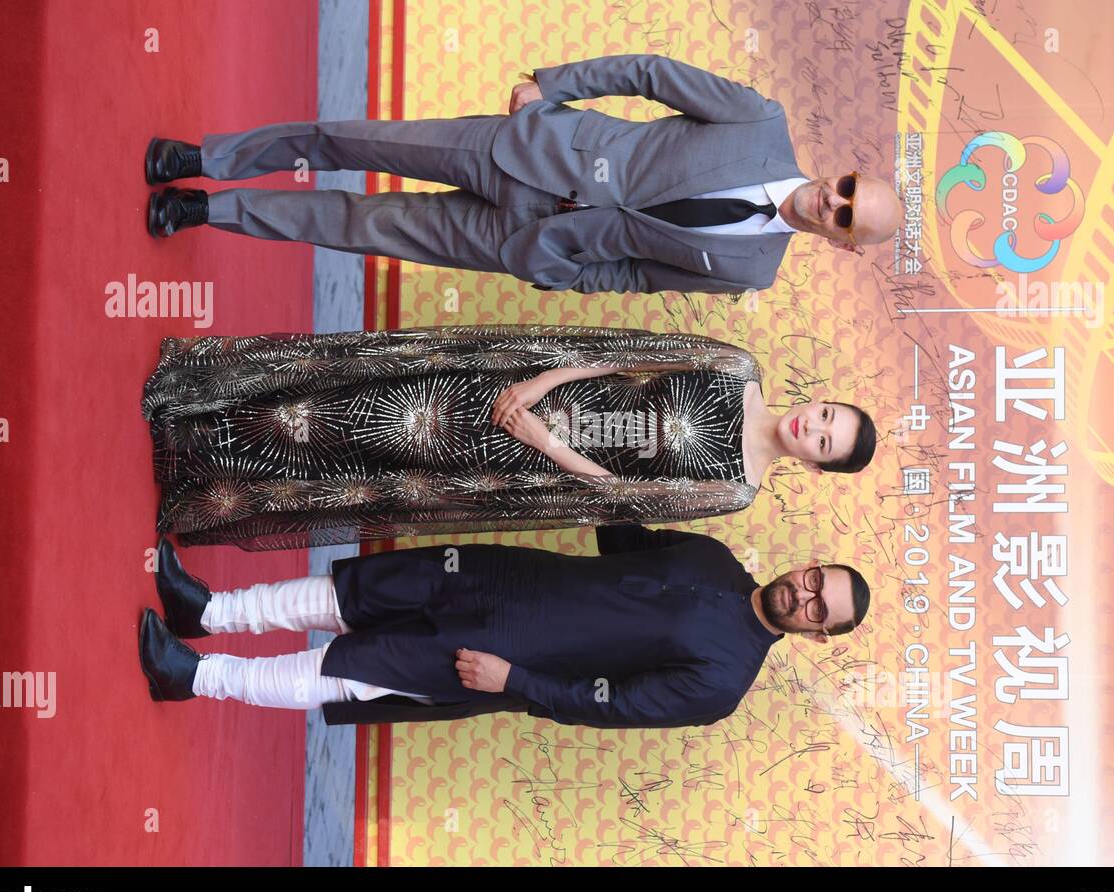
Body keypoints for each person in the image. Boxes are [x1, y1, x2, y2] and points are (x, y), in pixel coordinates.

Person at [144, 53, 903, 294]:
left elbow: (638, 276)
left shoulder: (752, 272)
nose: (829, 199)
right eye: (845, 185)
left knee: (357, 226)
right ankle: (207, 160)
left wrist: (565, 272)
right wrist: (556, 86)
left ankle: (207, 212)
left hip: (522, 241)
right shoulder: (760, 121)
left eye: (845, 216)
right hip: (530, 149)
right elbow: (652, 74)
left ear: (843, 245)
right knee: (352, 139)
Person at [142, 324, 877, 549]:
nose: (810, 427)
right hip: (515, 388)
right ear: (819, 402)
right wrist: (538, 384)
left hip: (516, 458)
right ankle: (203, 403)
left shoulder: (734, 488)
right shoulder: (735, 367)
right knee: (358, 398)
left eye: (823, 443)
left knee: (367, 457)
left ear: (816, 468)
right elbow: (626, 355)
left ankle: (204, 470)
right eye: (826, 416)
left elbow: (621, 496)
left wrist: (540, 439)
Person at [138, 528, 871, 728]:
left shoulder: (725, 682)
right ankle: (211, 611)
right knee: (350, 593)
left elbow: (608, 707)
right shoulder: (715, 558)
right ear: (807, 564)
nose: (804, 595)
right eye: (815, 580)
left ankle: (196, 677)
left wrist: (512, 682)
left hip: (503, 653)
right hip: (510, 577)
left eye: (818, 608)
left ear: (816, 636)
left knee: (350, 667)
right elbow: (619, 543)